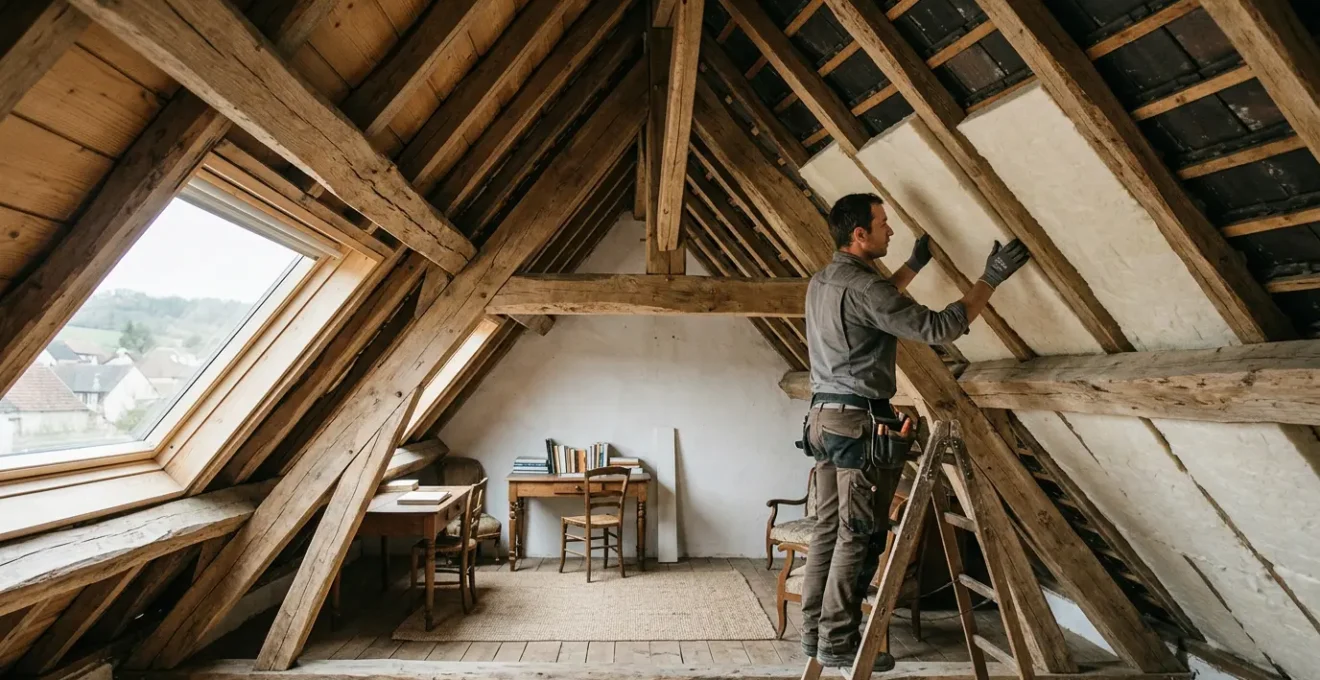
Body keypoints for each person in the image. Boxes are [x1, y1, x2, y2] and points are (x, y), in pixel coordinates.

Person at [800, 193, 1030, 669]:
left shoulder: (824, 280)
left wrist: (912, 266)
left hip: (823, 419)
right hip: (857, 423)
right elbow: (940, 327)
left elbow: (876, 304)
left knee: (827, 530)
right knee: (857, 533)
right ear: (859, 234)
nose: (890, 230)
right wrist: (990, 279)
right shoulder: (867, 288)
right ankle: (838, 642)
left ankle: (814, 634)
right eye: (883, 224)